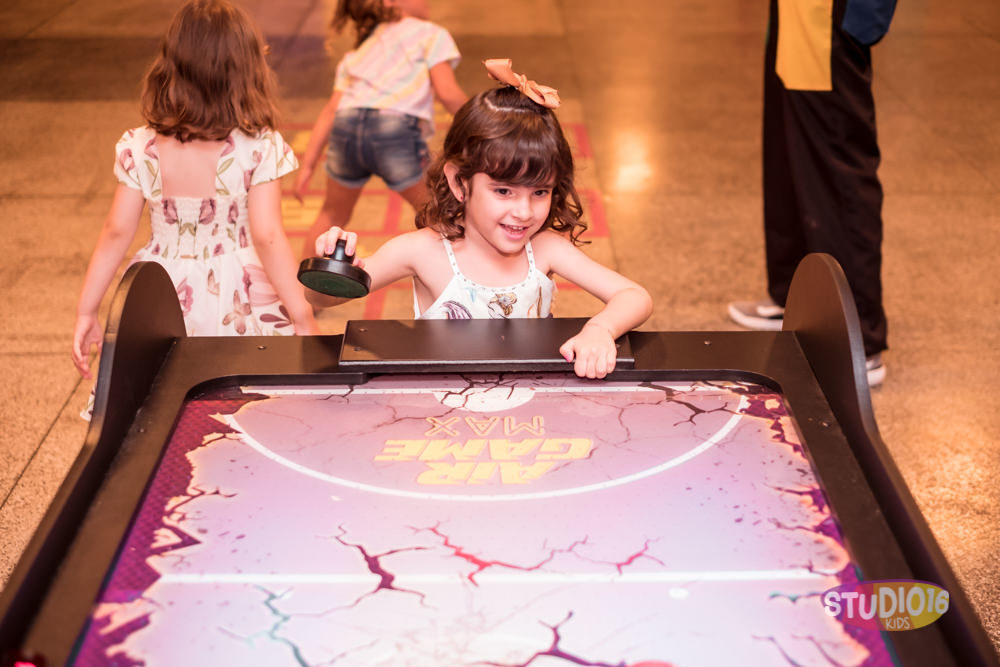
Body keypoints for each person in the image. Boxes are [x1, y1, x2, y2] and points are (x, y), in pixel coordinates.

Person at [307, 59, 653, 379]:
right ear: (459, 182)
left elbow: (635, 296)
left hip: (529, 406)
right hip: (445, 407)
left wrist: (600, 329)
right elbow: (323, 299)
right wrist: (333, 269)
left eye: (540, 192)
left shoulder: (545, 249)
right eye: (503, 191)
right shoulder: (421, 252)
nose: (524, 212)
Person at [72, 0, 319, 383]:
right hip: (238, 288)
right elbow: (268, 236)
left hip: (159, 288)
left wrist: (87, 310)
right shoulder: (259, 147)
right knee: (242, 390)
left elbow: (116, 231)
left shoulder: (140, 146)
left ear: (170, 66)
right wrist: (302, 315)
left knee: (158, 391)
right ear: (246, 69)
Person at [728, 0, 896, 387]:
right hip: (796, 12)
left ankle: (858, 336)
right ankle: (793, 297)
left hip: (831, 14)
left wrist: (858, 22)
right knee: (788, 149)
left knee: (836, 159)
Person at [292, 0, 468, 256]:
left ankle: (304, 279)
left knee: (332, 213)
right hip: (393, 130)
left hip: (346, 127)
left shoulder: (361, 49)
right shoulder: (431, 34)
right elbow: (448, 93)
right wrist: (484, 124)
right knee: (435, 212)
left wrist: (307, 165)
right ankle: (455, 275)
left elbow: (331, 111)